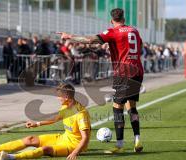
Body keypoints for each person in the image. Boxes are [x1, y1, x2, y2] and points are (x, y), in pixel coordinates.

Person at [58, 8, 144, 153]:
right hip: (137, 71)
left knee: (117, 107)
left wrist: (70, 37)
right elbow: (139, 47)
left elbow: (90, 40)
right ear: (124, 19)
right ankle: (137, 139)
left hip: (124, 72)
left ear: (112, 21)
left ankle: (120, 145)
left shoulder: (112, 32)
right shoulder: (134, 30)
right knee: (131, 106)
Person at [0, 83, 91, 160]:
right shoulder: (66, 107)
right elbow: (55, 119)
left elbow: (85, 137)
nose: (58, 98)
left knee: (45, 149)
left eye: (59, 96)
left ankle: (10, 157)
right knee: (30, 139)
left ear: (66, 96)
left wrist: (75, 152)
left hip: (73, 145)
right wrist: (37, 124)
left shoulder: (81, 113)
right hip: (63, 138)